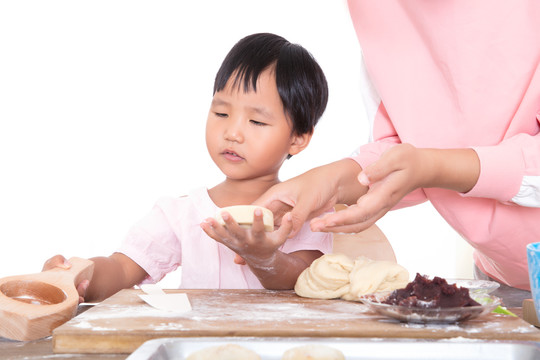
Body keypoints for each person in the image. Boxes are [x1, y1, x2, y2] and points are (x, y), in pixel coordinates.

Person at [253, 1, 540, 307]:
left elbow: (421, 162)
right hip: (502, 277)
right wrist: (332, 180)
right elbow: (400, 149)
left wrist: (432, 167)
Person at [43, 32, 331, 303]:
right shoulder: (183, 214)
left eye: (256, 121)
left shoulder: (306, 211)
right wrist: (79, 277)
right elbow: (121, 268)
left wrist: (263, 256)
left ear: (298, 138)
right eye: (221, 112)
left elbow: (303, 279)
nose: (233, 132)